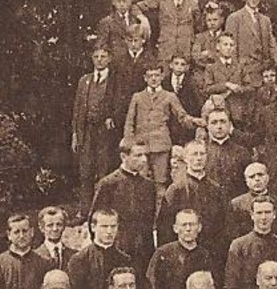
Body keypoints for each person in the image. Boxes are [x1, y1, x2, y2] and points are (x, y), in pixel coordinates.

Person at [123, 62, 202, 192]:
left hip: (161, 144)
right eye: (150, 76)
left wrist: (195, 121)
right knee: (139, 181)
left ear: (162, 77)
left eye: (156, 75)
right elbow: (129, 121)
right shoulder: (137, 97)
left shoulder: (169, 96)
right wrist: (129, 143)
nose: (153, 79)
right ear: (145, 78)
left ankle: (160, 211)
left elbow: (181, 116)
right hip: (140, 145)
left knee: (160, 183)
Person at [91, 140, 159, 264]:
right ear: (123, 156)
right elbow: (95, 219)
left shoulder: (149, 185)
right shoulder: (108, 184)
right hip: (117, 250)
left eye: (145, 155)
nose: (144, 160)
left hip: (143, 251)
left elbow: (150, 221)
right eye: (138, 155)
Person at [72, 45, 123, 209]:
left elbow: (119, 105)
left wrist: (111, 117)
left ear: (109, 59)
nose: (99, 60)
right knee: (85, 172)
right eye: (96, 57)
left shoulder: (115, 81)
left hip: (105, 132)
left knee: (104, 170)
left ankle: (102, 209)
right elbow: (78, 109)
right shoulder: (85, 81)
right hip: (87, 131)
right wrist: (75, 133)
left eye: (103, 56)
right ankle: (85, 210)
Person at [146, 208, 216, 289]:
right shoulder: (162, 254)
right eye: (184, 225)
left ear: (199, 228)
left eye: (192, 225)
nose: (188, 229)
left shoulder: (205, 255)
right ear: (175, 228)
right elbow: (151, 287)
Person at [226, 0, 277, 75]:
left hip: (264, 69)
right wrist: (235, 70)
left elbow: (272, 44)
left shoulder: (265, 20)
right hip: (245, 69)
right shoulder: (235, 18)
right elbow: (230, 46)